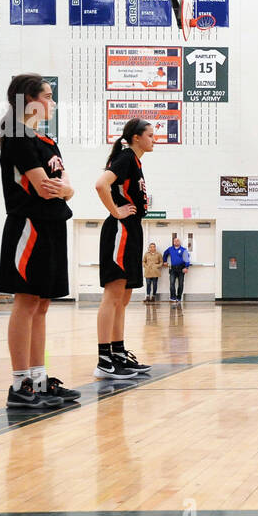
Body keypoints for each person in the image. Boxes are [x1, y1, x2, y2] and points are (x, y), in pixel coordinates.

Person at [0, 74, 80, 407]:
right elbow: (47, 187)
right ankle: (20, 385)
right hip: (28, 224)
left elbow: (67, 185)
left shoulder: (47, 141)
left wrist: (67, 189)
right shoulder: (16, 135)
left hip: (51, 224)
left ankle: (39, 379)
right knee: (27, 302)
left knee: (43, 304)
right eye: (47, 95)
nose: (53, 102)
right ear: (28, 99)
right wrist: (64, 189)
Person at [93, 118, 155, 380]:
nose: (155, 139)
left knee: (125, 298)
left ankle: (118, 353)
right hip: (120, 229)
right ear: (137, 137)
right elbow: (100, 184)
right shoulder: (127, 157)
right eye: (150, 135)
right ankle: (104, 359)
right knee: (113, 295)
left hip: (132, 230)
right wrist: (114, 210)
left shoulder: (135, 162)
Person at [163, 234, 190, 303]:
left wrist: (186, 267)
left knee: (181, 284)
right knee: (172, 283)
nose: (176, 242)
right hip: (173, 269)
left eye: (177, 241)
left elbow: (187, 259)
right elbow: (165, 254)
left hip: (181, 269)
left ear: (179, 242)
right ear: (173, 242)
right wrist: (165, 261)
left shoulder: (183, 250)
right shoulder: (170, 249)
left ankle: (179, 297)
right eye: (175, 241)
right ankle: (173, 297)